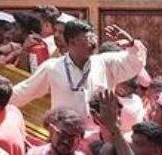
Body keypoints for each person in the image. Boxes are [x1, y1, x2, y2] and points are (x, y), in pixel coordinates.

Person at [9, 21, 146, 118]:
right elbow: (23, 92)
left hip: (99, 141)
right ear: (72, 42)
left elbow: (136, 62)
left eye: (94, 36)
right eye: (88, 37)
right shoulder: (52, 67)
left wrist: (131, 43)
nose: (94, 41)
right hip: (66, 140)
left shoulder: (105, 63)